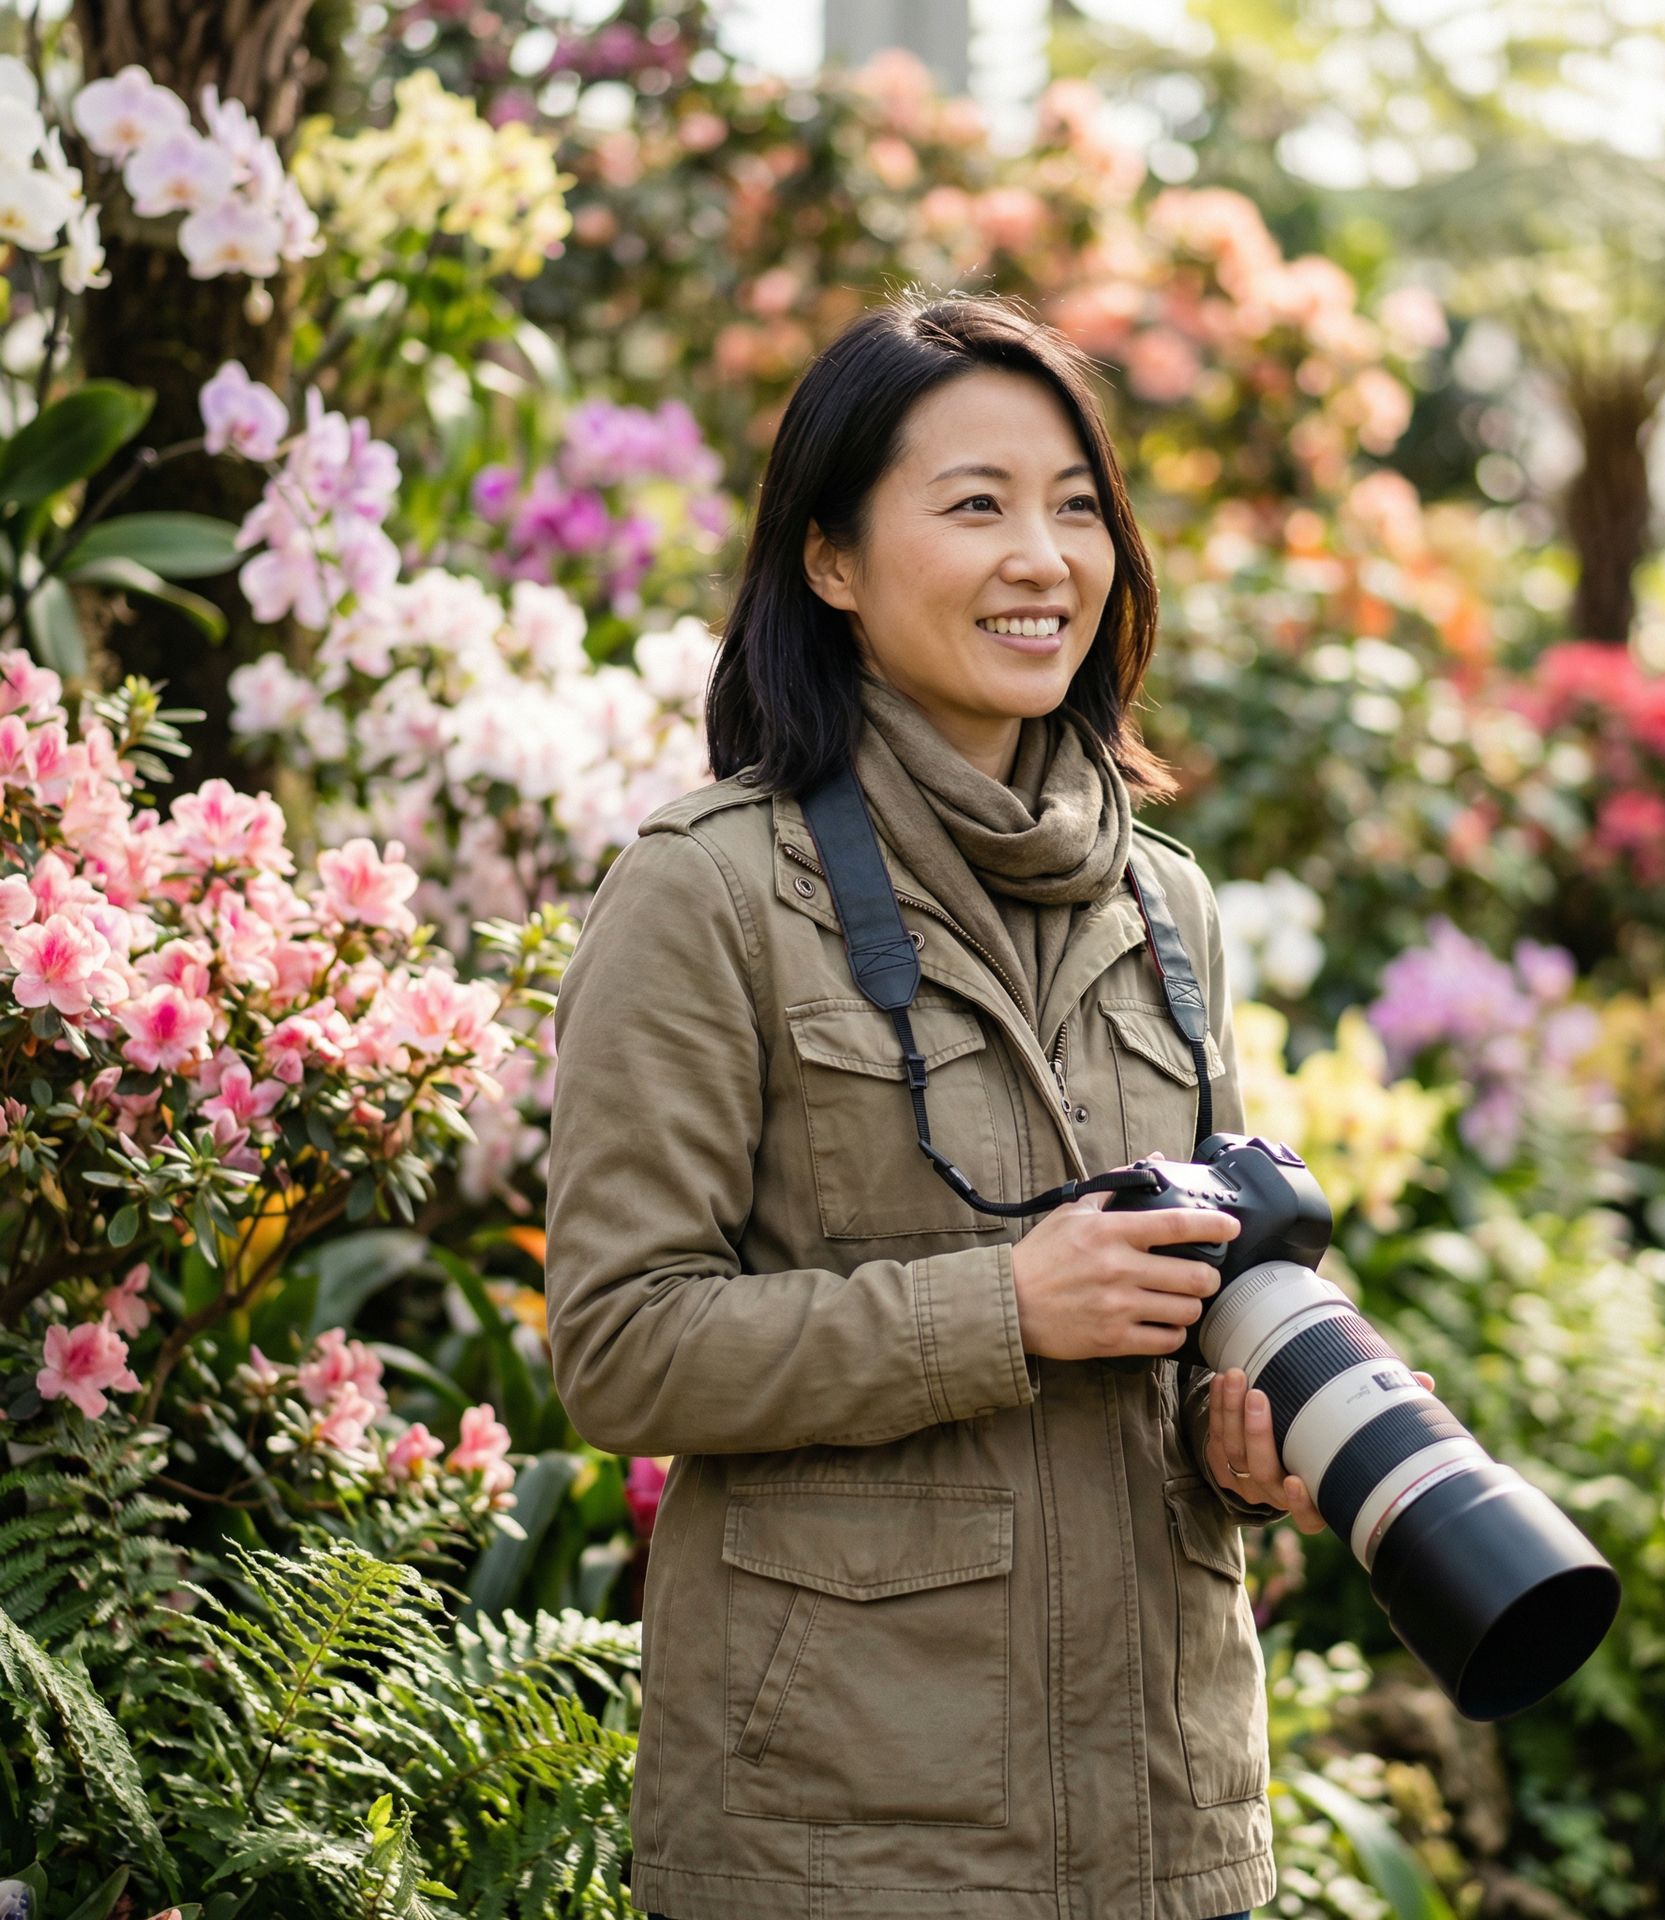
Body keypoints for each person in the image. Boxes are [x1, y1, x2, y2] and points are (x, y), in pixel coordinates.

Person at [544, 289, 1431, 1920]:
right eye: (977, 507)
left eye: (1078, 509)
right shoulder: (710, 893)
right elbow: (620, 1344)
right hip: (843, 1845)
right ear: (830, 558)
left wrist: (1244, 1438)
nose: (1045, 559)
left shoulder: (1165, 903)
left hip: (1165, 1826)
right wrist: (1003, 1309)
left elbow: (1184, 1315)